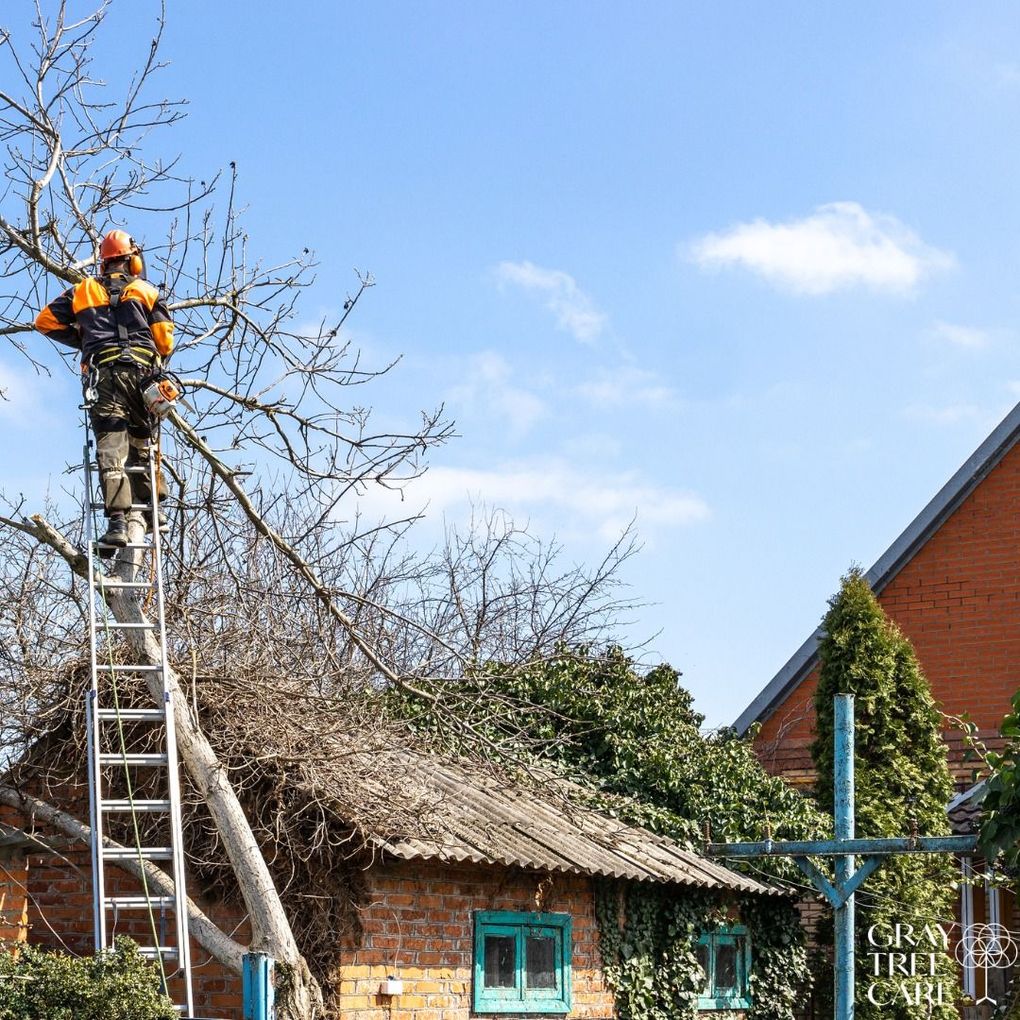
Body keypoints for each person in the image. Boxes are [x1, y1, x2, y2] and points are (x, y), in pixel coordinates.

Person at [35, 229, 175, 549]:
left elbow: (44, 321)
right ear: (132, 260)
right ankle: (155, 508)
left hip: (104, 376)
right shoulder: (147, 291)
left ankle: (117, 524)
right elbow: (165, 339)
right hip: (143, 376)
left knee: (111, 448)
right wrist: (156, 359)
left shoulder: (81, 291)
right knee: (142, 440)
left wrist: (84, 340)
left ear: (104, 263)